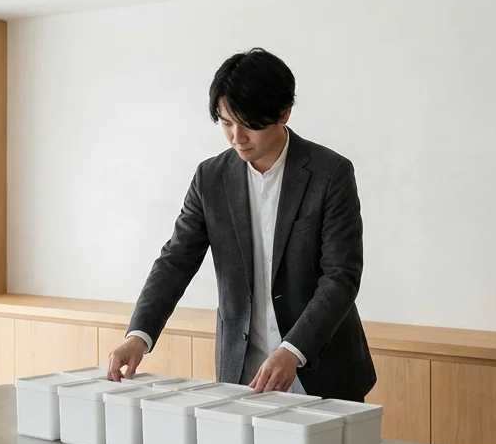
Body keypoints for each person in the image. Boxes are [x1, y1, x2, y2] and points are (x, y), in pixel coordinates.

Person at [106, 48, 377, 401]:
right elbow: (176, 261)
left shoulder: (330, 173)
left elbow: (341, 276)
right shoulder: (210, 177)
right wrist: (137, 336)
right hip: (241, 372)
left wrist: (292, 350)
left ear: (284, 112)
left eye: (249, 123)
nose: (237, 137)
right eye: (226, 122)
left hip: (320, 368)